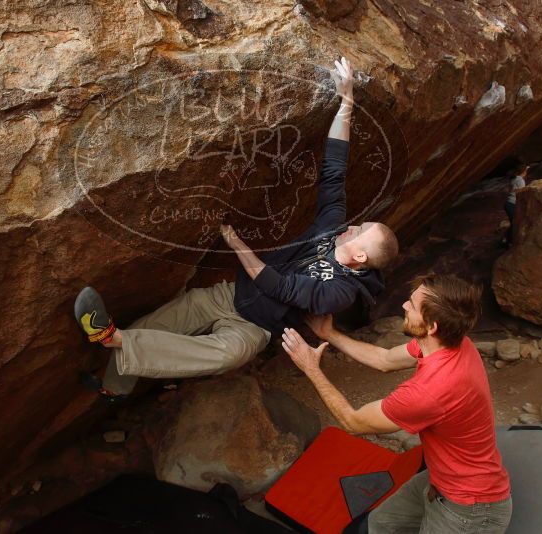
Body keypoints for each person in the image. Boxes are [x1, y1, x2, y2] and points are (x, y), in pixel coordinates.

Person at [78, 57, 399, 400]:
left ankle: (110, 338)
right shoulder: (331, 227)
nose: (352, 225)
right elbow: (335, 168)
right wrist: (347, 102)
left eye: (360, 229)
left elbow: (283, 288)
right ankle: (114, 388)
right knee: (151, 329)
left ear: (361, 254)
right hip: (228, 296)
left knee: (229, 354)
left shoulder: (342, 291)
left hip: (254, 328)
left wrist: (237, 244)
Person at [281, 273, 512, 533]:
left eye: (411, 305)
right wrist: (329, 333)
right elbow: (385, 359)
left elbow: (353, 422)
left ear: (431, 326)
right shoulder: (454, 343)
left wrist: (311, 368)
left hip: (469, 510)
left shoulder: (429, 391)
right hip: (441, 481)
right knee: (379, 526)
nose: (404, 305)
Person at [502, 166, 527, 246]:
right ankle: (507, 241)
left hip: (509, 203)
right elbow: (522, 193)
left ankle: (506, 240)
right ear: (524, 171)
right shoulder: (520, 180)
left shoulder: (514, 178)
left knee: (514, 223)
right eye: (526, 170)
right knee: (515, 223)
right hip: (512, 204)